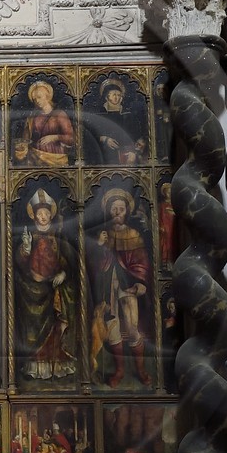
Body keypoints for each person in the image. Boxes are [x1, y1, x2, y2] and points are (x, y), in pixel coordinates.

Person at [90, 189, 152, 387]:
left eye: (121, 209)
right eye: (114, 209)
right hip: (107, 288)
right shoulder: (104, 235)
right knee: (112, 328)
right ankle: (119, 370)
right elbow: (95, 266)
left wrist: (140, 282)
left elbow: (141, 262)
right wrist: (99, 246)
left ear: (127, 212)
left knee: (132, 328)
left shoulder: (133, 234)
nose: (117, 212)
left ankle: (140, 370)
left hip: (128, 287)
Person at [14, 190, 77, 381]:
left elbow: (70, 260)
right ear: (34, 215)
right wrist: (25, 248)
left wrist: (63, 273)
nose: (42, 217)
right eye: (39, 213)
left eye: (45, 213)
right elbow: (19, 262)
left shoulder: (58, 235)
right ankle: (37, 366)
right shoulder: (29, 235)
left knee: (57, 326)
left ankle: (56, 364)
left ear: (51, 214)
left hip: (55, 287)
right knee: (33, 330)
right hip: (32, 290)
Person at [14, 80, 75, 168]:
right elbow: (26, 139)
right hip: (34, 158)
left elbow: (71, 138)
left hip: (56, 158)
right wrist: (21, 146)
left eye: (39, 97)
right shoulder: (32, 117)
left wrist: (55, 137)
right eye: (34, 99)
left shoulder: (59, 114)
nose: (37, 101)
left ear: (48, 96)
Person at [87, 77, 142, 165]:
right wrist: (104, 139)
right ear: (106, 97)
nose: (116, 97)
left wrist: (134, 152)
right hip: (105, 156)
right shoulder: (100, 114)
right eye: (113, 95)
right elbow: (90, 135)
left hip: (127, 155)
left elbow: (137, 137)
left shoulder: (128, 115)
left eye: (118, 95)